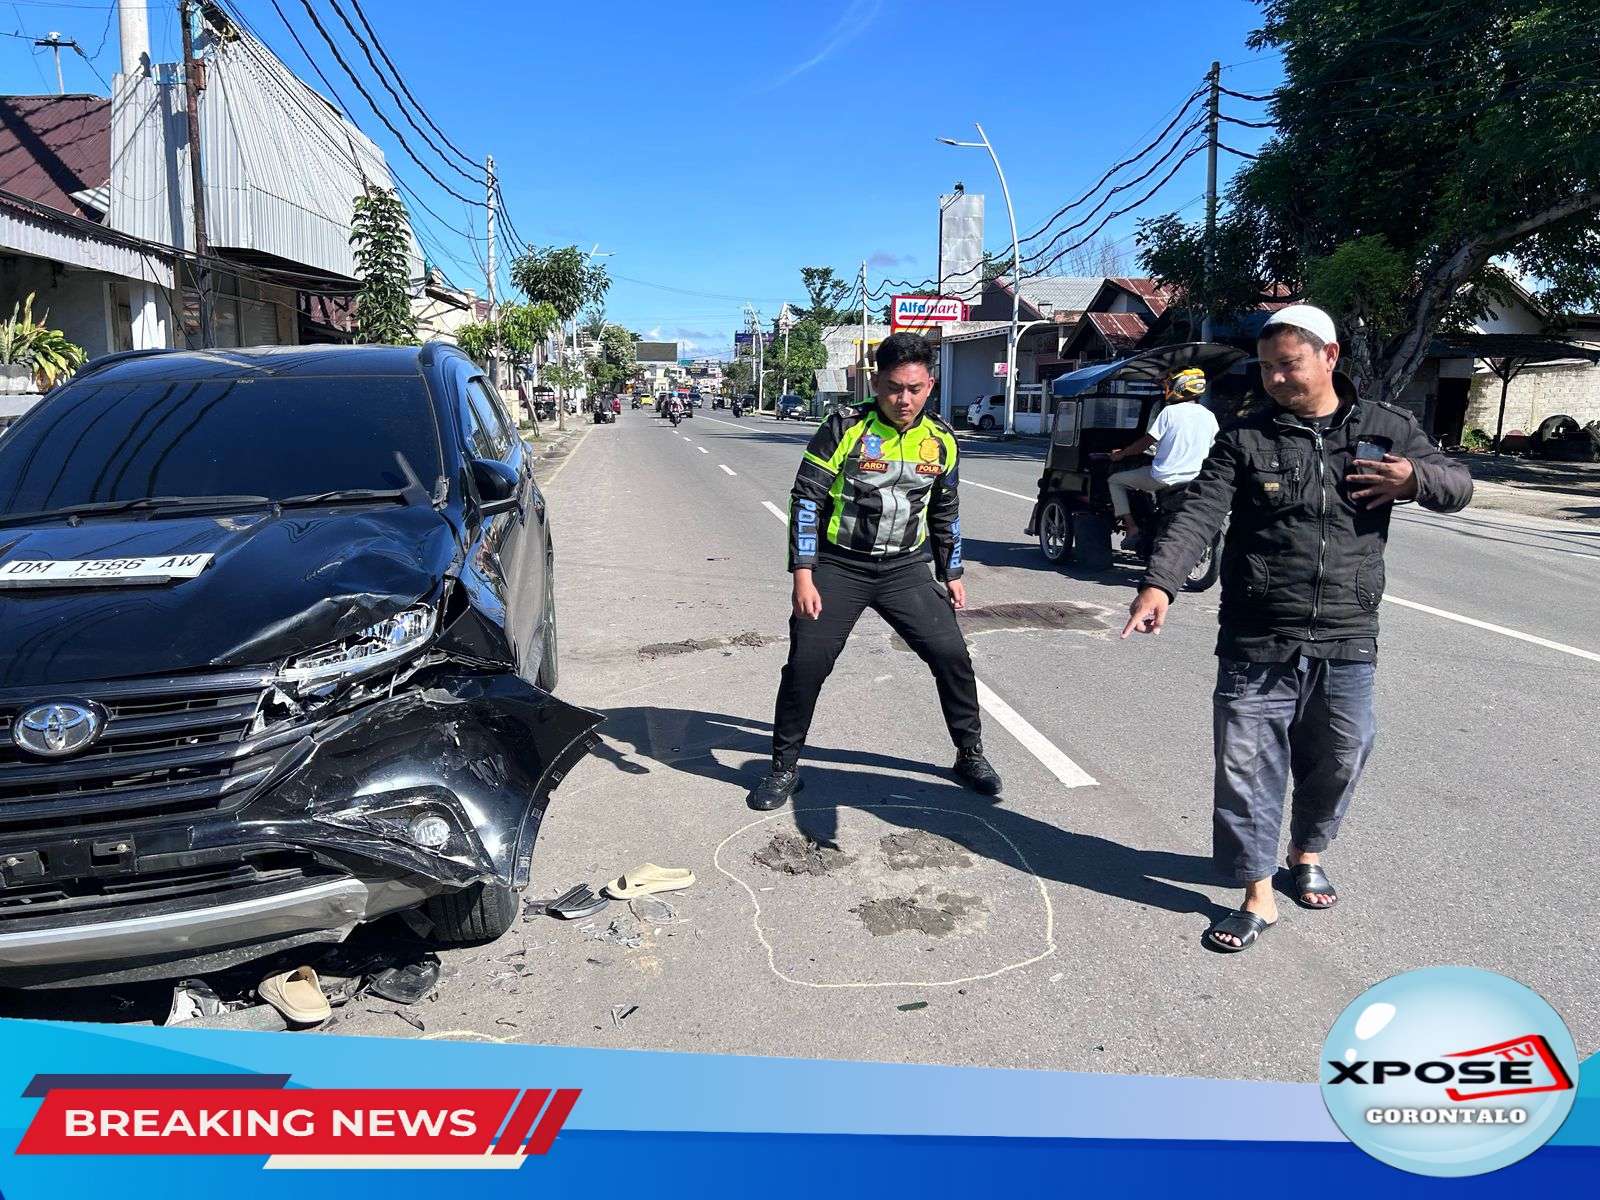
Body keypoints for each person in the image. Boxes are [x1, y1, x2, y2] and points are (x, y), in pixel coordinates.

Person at [1121, 304, 1473, 953]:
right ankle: (1257, 893)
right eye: (1267, 367)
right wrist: (1159, 582)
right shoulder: (1245, 436)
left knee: (1343, 752)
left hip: (1346, 629)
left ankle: (1305, 851)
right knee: (1246, 764)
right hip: (1257, 632)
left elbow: (1459, 484)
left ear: (1329, 357)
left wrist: (1413, 477)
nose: (1277, 378)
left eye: (1289, 365)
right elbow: (1200, 511)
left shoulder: (1387, 428)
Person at [747, 332, 1002, 811]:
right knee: (807, 664)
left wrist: (953, 571)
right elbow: (806, 499)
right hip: (840, 566)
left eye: (914, 388)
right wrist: (804, 572)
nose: (902, 399)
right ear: (875, 382)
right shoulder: (845, 426)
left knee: (951, 655)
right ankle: (783, 767)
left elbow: (945, 509)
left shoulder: (943, 439)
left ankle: (969, 754)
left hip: (905, 568)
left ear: (931, 384)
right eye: (891, 387)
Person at [1107, 367, 1219, 543]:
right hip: (1197, 479)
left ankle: (1132, 527)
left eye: (1169, 383)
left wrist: (1121, 454)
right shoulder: (1210, 416)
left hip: (1165, 478)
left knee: (1115, 480)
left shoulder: (1170, 412)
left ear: (1179, 386)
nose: (1166, 387)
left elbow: (1145, 443)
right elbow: (1212, 447)